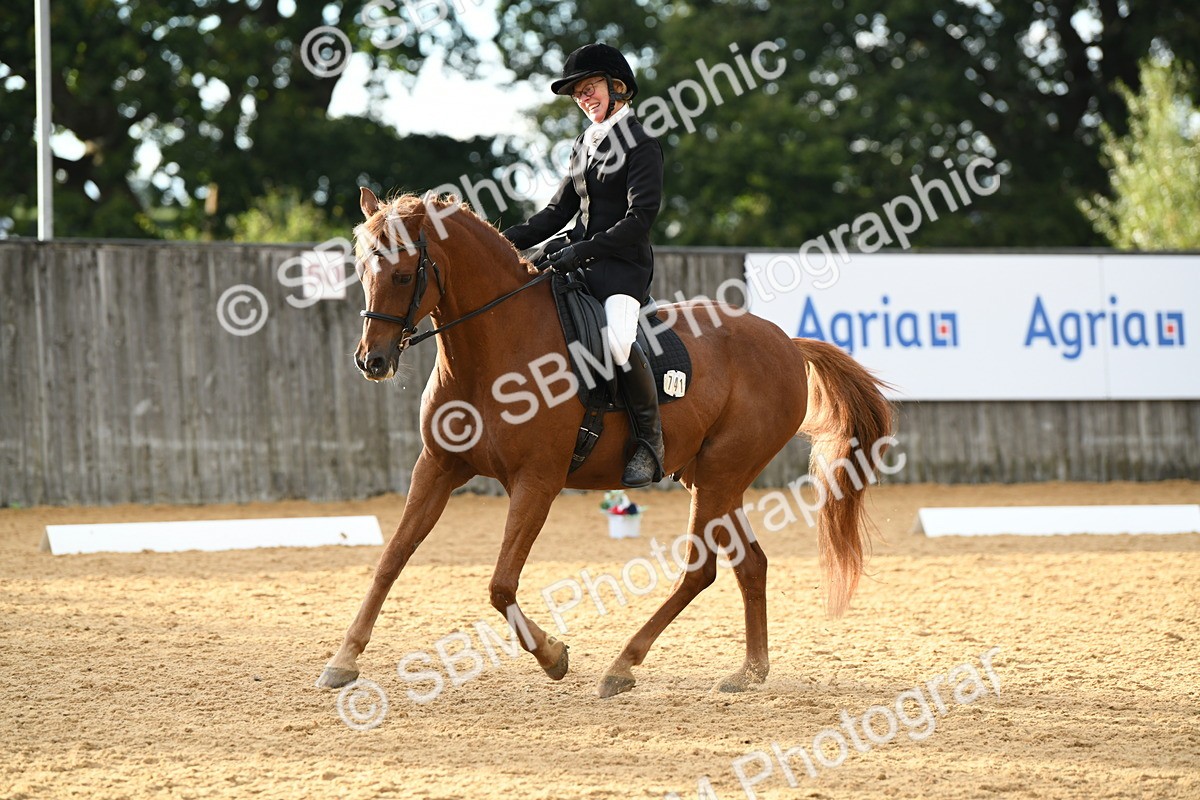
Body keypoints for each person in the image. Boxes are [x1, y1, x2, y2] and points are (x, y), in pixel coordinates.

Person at [502, 43, 666, 488]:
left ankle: (649, 443)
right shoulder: (583, 144)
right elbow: (556, 215)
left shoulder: (641, 143)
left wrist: (585, 249)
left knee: (616, 341)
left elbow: (640, 219)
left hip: (621, 268)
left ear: (616, 88)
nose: (583, 98)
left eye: (589, 88)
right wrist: (497, 241)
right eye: (577, 93)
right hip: (578, 261)